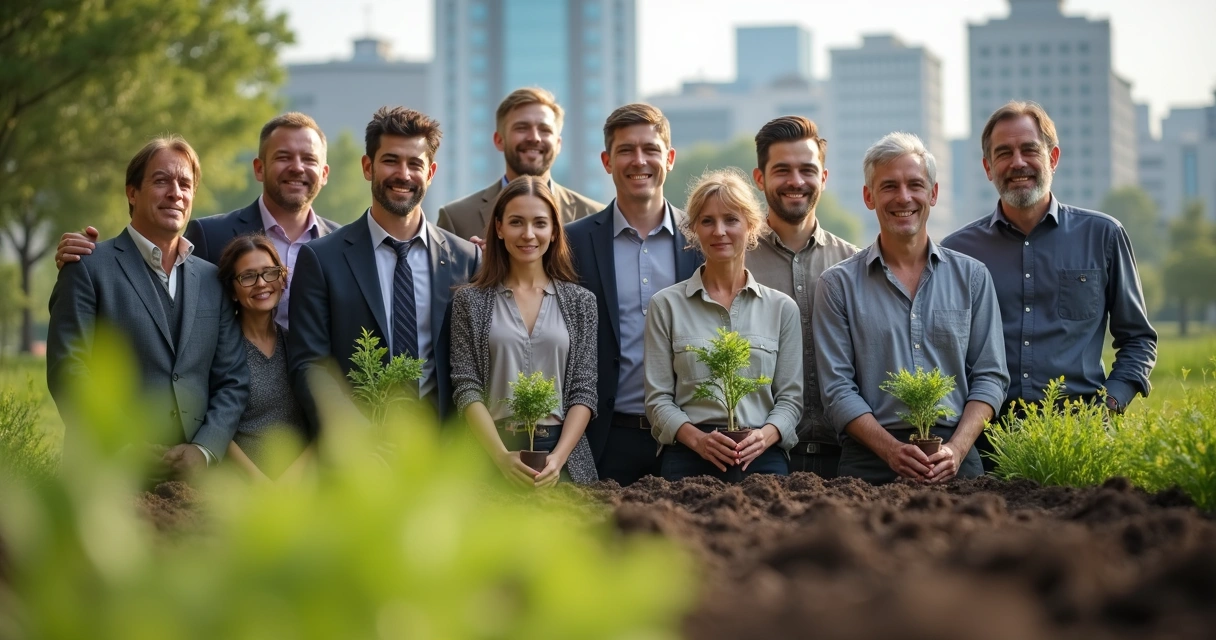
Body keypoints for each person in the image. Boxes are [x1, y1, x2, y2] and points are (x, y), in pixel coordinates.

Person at [942, 101, 1157, 470]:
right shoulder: (956, 252)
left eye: (1030, 149)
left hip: (1081, 442)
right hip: (987, 448)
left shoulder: (1103, 236)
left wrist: (1109, 405)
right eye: (1004, 153)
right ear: (987, 167)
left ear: (1053, 157)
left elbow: (1138, 339)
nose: (1017, 163)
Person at [813, 132, 1009, 485]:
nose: (904, 197)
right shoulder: (837, 285)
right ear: (869, 197)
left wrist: (958, 449)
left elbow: (991, 377)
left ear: (933, 193)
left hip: (956, 458)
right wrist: (890, 450)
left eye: (915, 185)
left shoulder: (973, 278)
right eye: (889, 186)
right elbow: (837, 390)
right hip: (869, 463)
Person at [47, 136, 249, 475]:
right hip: (108, 473)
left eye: (185, 184)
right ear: (132, 192)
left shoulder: (213, 280)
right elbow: (69, 371)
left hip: (194, 482)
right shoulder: (87, 267)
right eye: (161, 181)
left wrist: (204, 449)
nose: (175, 192)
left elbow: (232, 379)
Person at [287, 106, 480, 433]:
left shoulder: (467, 259)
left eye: (415, 164)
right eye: (390, 160)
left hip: (443, 453)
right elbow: (311, 365)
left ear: (430, 173)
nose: (403, 174)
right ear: (367, 166)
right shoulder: (321, 259)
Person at [54, 112, 341, 329]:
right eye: (283, 156)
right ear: (259, 168)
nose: (297, 167)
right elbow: (158, 279)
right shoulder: (209, 235)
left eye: (309, 159)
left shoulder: (342, 247)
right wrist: (95, 258)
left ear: (326, 173)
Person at [565, 103, 702, 486]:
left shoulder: (703, 240)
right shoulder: (572, 241)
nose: (638, 160)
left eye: (650, 149)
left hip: (690, 439)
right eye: (626, 150)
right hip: (605, 436)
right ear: (607, 160)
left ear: (669, 158)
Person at [644, 168, 802, 482]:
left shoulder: (782, 308)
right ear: (694, 230)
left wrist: (766, 436)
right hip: (688, 460)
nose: (719, 231)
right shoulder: (665, 305)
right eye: (707, 221)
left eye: (731, 219)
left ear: (751, 226)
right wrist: (697, 440)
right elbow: (658, 399)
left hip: (761, 461)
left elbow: (791, 400)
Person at [449, 176, 599, 487]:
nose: (528, 234)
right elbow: (466, 387)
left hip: (562, 459)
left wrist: (558, 459)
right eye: (516, 222)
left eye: (540, 223)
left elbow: (584, 391)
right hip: (490, 456)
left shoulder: (581, 303)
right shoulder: (469, 301)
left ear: (554, 231)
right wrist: (500, 456)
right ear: (499, 228)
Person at [747, 116, 859, 478]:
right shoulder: (733, 265)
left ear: (823, 178)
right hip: (762, 459)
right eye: (782, 170)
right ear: (760, 178)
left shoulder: (855, 265)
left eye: (807, 170)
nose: (796, 182)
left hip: (847, 460)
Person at [437, 87, 603, 244]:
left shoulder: (596, 217)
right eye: (522, 128)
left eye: (545, 129)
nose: (535, 138)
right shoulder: (456, 219)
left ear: (558, 143)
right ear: (499, 140)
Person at [215, 234, 310, 481]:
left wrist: (292, 479)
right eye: (248, 276)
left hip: (302, 486)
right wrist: (262, 484)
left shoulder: (298, 345)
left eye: (270, 272)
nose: (261, 283)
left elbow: (319, 420)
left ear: (282, 279)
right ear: (233, 291)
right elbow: (213, 425)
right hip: (241, 488)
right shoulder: (218, 349)